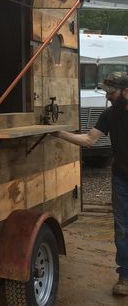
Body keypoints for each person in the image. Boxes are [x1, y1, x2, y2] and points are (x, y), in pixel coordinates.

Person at [53, 71, 128, 296]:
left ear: (126, 91)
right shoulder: (108, 115)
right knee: (123, 229)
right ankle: (125, 275)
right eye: (107, 93)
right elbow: (88, 140)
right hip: (121, 178)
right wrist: (57, 133)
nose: (108, 97)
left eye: (112, 93)